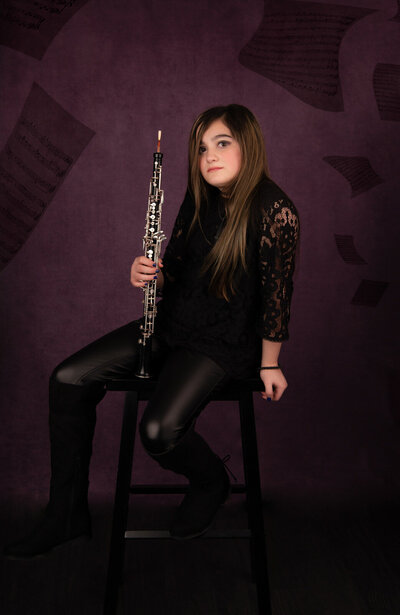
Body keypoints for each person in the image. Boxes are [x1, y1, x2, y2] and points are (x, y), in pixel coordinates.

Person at [4, 104, 299, 558]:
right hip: (171, 325)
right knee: (67, 379)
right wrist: (148, 271)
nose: (209, 158)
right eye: (202, 148)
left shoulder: (275, 211)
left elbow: (278, 296)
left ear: (249, 145)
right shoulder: (200, 198)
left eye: (222, 144)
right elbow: (175, 272)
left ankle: (211, 481)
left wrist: (270, 362)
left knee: (159, 432)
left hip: (224, 342)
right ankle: (65, 514)